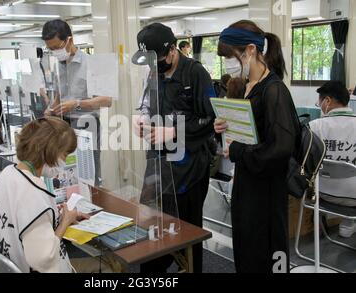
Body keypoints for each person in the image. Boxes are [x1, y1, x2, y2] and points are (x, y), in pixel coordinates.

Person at [214, 20, 300, 273]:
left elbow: (283, 147)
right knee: (246, 249)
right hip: (246, 183)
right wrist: (222, 128)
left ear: (250, 50)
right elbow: (252, 132)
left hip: (266, 193)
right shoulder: (246, 86)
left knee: (265, 255)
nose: (228, 64)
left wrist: (240, 151)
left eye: (231, 57)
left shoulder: (274, 90)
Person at [133, 23, 216, 273]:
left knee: (187, 231)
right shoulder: (153, 72)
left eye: (157, 59)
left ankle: (188, 268)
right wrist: (142, 118)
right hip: (158, 162)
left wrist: (176, 131)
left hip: (188, 167)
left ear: (171, 50)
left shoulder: (196, 74)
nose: (153, 66)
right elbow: (146, 103)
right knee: (152, 222)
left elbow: (211, 119)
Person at [0, 117, 90, 273]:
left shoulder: (7, 174)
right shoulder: (32, 191)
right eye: (64, 155)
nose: (64, 162)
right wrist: (64, 223)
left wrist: (57, 218)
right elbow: (44, 259)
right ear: (49, 151)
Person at [42, 19, 112, 184]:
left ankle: (92, 201)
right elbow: (60, 94)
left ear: (69, 40)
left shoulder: (92, 64)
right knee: (66, 171)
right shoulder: (58, 65)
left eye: (57, 47)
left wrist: (77, 103)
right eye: (50, 49)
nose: (54, 52)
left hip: (87, 124)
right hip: (63, 124)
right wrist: (50, 109)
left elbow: (107, 100)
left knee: (88, 171)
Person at [309, 81, 356, 238]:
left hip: (323, 193)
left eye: (320, 101)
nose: (320, 105)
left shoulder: (314, 126)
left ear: (327, 101)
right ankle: (349, 222)